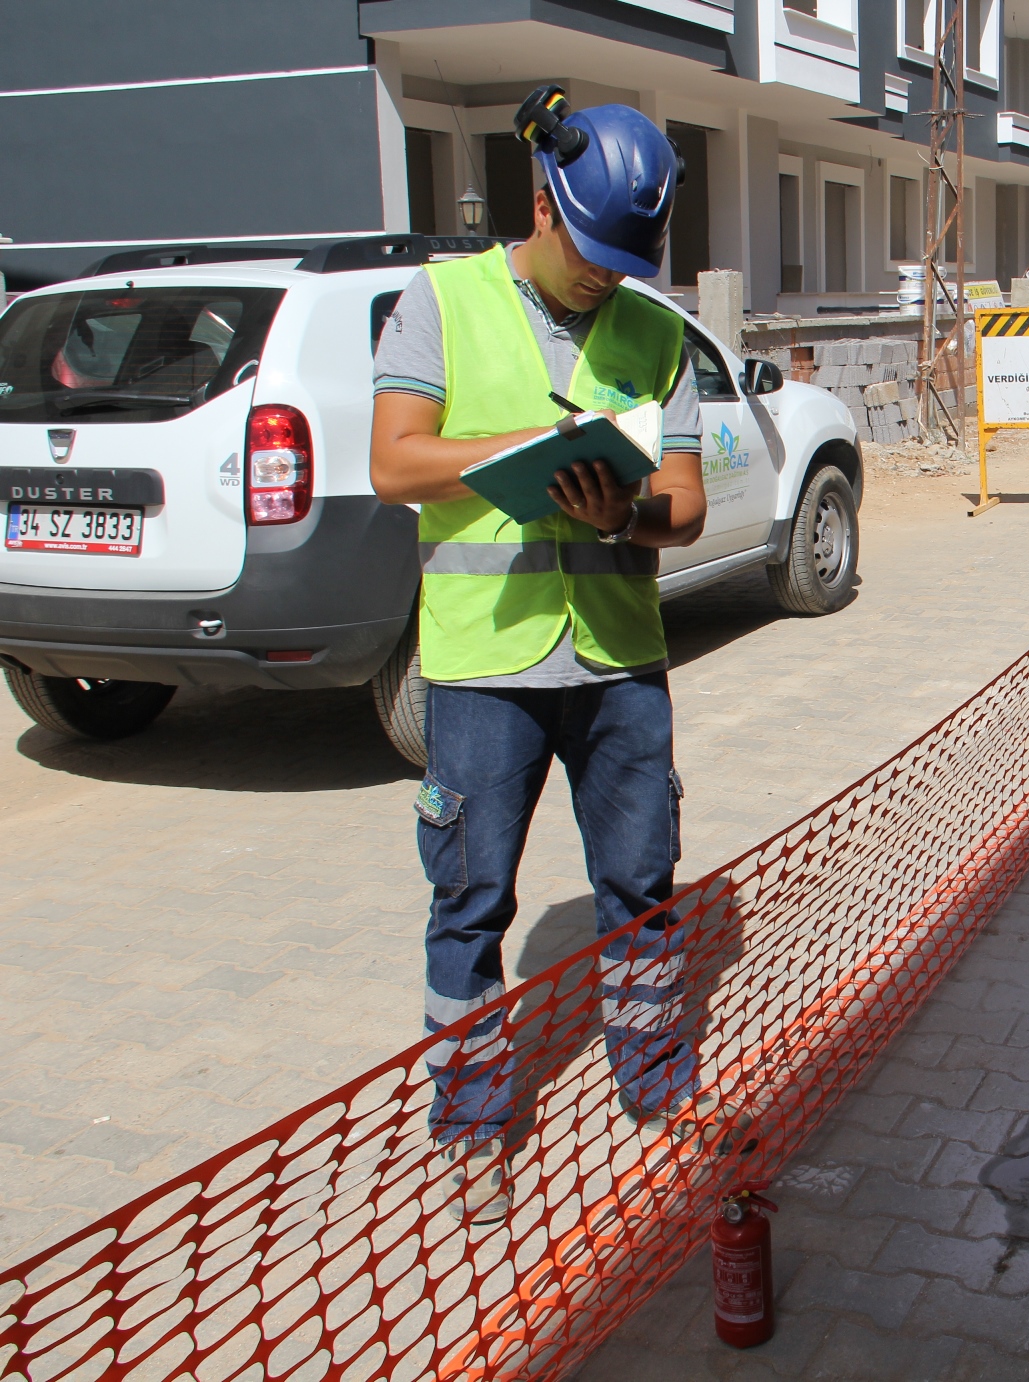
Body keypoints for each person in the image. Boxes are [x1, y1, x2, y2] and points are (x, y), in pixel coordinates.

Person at [370, 88, 714, 1223]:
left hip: (618, 664)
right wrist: (520, 452)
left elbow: (689, 506)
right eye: (590, 256)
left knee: (642, 890)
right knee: (469, 904)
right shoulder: (440, 301)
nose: (602, 279)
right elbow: (395, 463)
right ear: (541, 205)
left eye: (625, 262)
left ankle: (657, 1091)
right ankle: (470, 1124)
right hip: (483, 670)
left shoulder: (656, 331)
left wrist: (621, 516)